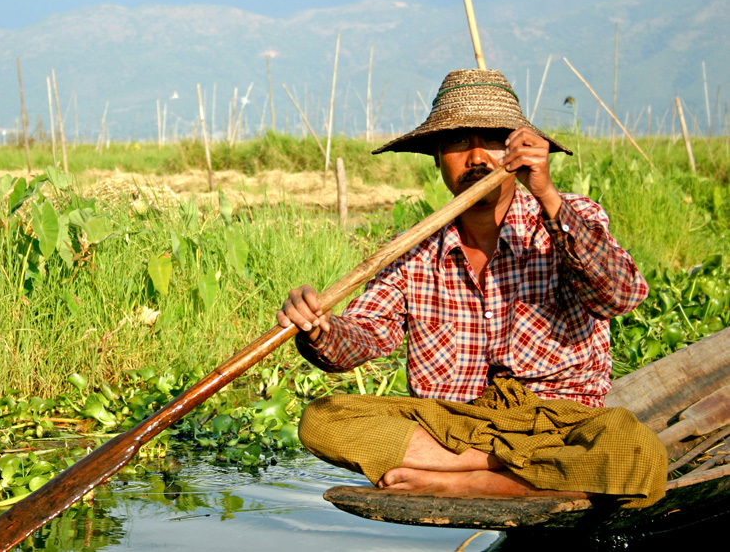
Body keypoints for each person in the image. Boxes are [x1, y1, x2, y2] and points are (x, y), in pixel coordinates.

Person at [277, 69, 666, 507]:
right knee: (322, 420)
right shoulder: (415, 249)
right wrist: (319, 328)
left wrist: (547, 195)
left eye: (493, 141)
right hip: (454, 424)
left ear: (518, 152)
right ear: (438, 156)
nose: (477, 157)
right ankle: (514, 472)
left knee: (639, 454)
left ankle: (469, 481)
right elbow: (362, 337)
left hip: (557, 424)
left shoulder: (567, 216)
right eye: (460, 142)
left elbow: (621, 296)